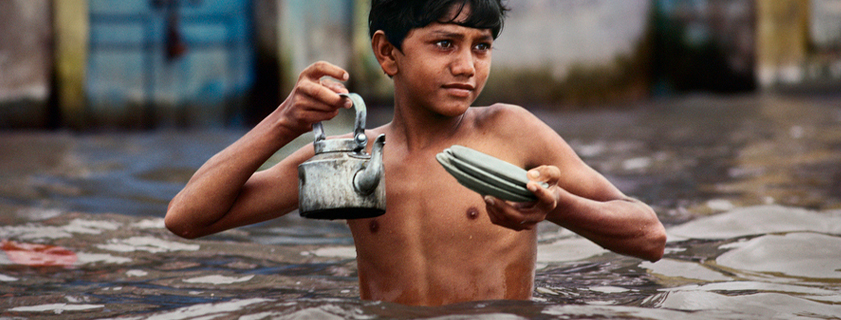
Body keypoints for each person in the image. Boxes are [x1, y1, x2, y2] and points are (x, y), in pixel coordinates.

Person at [165, 0, 666, 306]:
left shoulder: (509, 133)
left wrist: (556, 207)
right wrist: (282, 123)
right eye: (445, 44)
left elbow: (649, 236)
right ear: (388, 54)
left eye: (482, 46)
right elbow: (187, 218)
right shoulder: (354, 159)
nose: (468, 66)